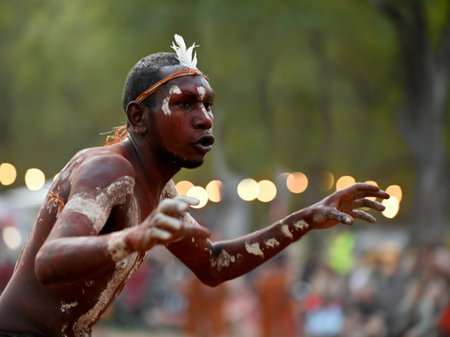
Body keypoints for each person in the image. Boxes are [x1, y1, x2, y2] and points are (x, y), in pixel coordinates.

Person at [0, 34, 389, 337]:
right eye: (185, 104)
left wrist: (305, 218)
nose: (204, 118)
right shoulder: (110, 172)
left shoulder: (160, 191)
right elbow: (50, 261)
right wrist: (137, 237)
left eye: (208, 105)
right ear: (139, 117)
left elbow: (213, 264)